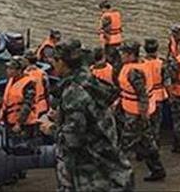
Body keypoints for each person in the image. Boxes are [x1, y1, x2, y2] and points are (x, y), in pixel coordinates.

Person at [39, 40, 133, 192]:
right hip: (111, 171)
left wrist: (50, 128)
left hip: (91, 178)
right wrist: (62, 117)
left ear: (62, 62)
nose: (52, 65)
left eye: (54, 61)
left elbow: (72, 140)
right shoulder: (89, 82)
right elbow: (90, 118)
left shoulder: (74, 93)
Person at [116, 41, 165, 182]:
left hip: (136, 114)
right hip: (136, 111)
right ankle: (157, 170)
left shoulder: (134, 72)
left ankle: (119, 176)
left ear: (131, 55)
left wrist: (143, 115)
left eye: (124, 53)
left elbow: (142, 95)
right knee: (147, 142)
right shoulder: (141, 65)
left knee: (125, 145)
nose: (121, 56)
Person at [0, 56, 48, 141]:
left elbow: (27, 105)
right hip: (10, 121)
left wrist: (19, 123)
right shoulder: (11, 81)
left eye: (11, 69)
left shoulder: (29, 83)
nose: (8, 71)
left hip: (25, 125)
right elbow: (8, 99)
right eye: (8, 68)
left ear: (19, 70)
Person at [142, 38, 167, 139]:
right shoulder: (162, 64)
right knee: (156, 123)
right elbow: (167, 81)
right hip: (159, 97)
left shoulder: (140, 64)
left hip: (146, 96)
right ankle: (155, 140)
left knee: (145, 124)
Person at [98, 0, 124, 65]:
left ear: (104, 8)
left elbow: (106, 30)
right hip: (118, 39)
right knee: (117, 58)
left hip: (110, 41)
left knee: (109, 60)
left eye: (101, 9)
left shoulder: (106, 16)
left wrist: (104, 43)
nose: (101, 11)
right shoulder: (117, 14)